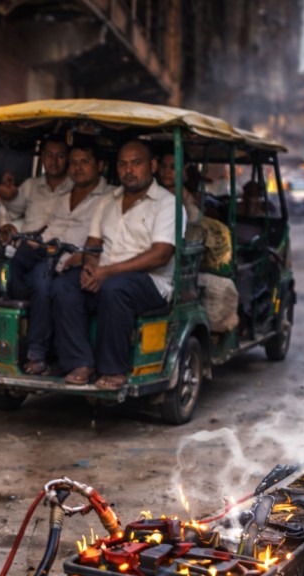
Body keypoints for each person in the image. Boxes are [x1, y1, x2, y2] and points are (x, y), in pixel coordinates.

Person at [50, 140, 176, 390]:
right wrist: (88, 267)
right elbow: (93, 243)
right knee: (63, 285)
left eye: (136, 163)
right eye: (123, 164)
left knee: (115, 288)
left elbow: (161, 254)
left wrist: (106, 272)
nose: (129, 170)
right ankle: (80, 362)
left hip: (149, 282)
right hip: (105, 275)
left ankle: (113, 369)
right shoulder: (107, 200)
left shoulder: (168, 203)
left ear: (151, 166)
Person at [20, 143, 112, 375]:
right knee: (20, 270)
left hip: (84, 263)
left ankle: (46, 355)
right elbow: (53, 231)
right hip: (55, 259)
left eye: (85, 162)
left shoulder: (109, 196)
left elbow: (108, 239)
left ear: (100, 166)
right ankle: (37, 353)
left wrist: (84, 257)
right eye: (73, 162)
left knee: (54, 287)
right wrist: (35, 241)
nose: (77, 168)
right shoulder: (65, 195)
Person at [0, 136, 72, 374]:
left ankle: (37, 354)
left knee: (42, 285)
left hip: (53, 254)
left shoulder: (73, 186)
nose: (54, 161)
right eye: (49, 155)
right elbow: (14, 205)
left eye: (60, 155)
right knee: (4, 281)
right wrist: (6, 193)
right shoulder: (31, 186)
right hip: (26, 250)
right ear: (43, 157)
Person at [156, 152, 203, 223]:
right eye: (163, 166)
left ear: (184, 171)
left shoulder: (191, 205)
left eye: (173, 167)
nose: (166, 172)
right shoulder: (154, 194)